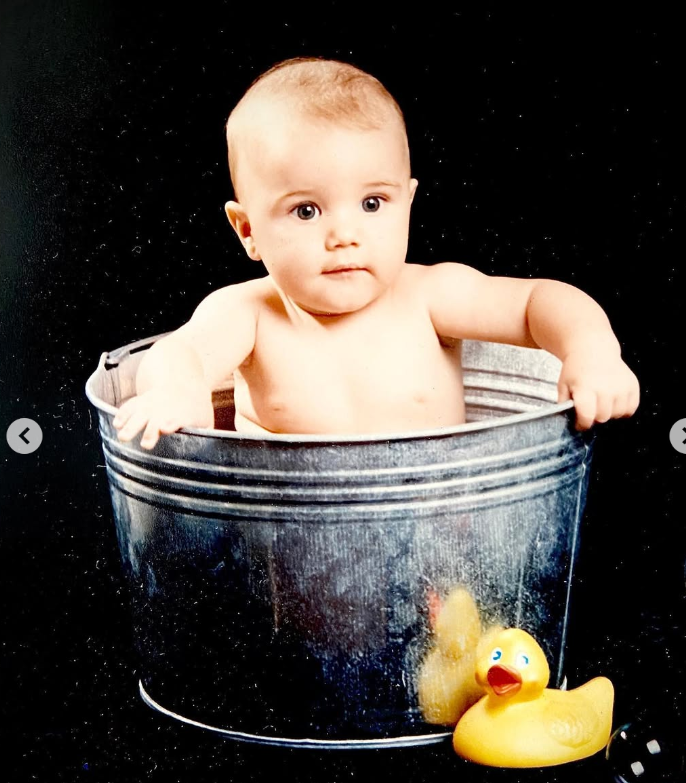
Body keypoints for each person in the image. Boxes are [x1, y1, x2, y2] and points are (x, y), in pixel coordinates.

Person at [113, 57, 639, 449]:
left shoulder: (429, 297)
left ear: (407, 204)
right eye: (306, 211)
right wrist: (177, 391)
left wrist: (590, 350)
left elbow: (537, 302)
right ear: (248, 229)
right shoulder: (248, 314)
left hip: (447, 559)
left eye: (372, 202)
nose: (345, 235)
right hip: (285, 560)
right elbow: (180, 353)